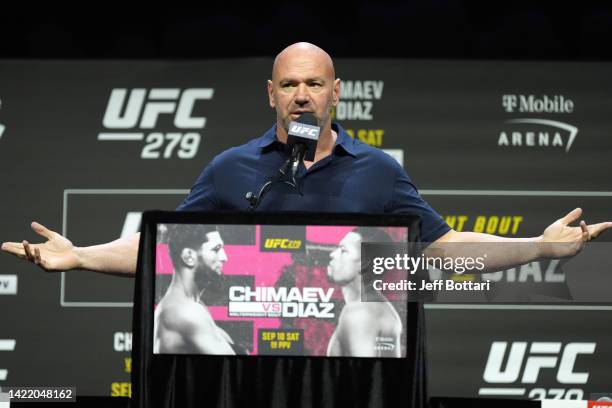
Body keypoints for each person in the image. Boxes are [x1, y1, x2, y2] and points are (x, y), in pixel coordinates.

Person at [1, 41, 610, 280]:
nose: (301, 95)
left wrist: (540, 246)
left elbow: (440, 250)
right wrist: (81, 255)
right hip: (248, 367)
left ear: (335, 92)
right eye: (289, 84)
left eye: (314, 84)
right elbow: (166, 249)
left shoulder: (377, 170)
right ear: (271, 93)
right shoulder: (231, 168)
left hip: (352, 370)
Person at [153, 224, 238, 355]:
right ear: (189, 256)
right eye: (216, 249)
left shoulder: (190, 306)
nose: (224, 257)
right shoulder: (185, 312)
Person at [326, 228, 402, 357]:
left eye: (343, 250)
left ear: (364, 264)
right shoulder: (372, 307)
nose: (332, 254)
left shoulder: (360, 312)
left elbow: (363, 374)